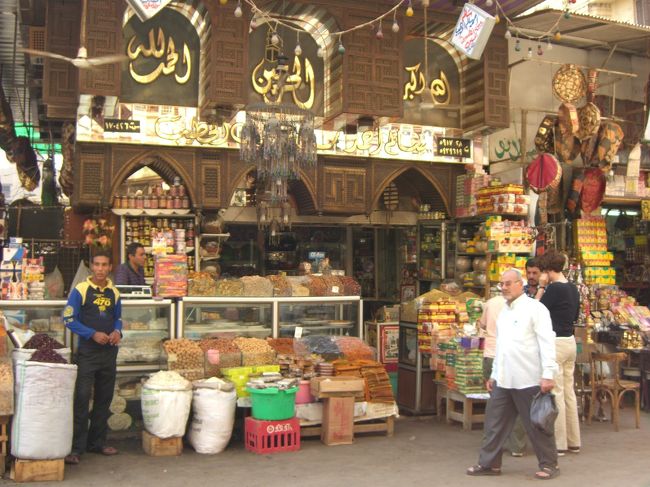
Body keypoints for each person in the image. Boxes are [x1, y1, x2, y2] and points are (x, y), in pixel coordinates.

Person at [467, 269, 559, 480]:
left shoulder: (536, 309)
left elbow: (547, 342)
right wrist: (494, 374)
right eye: (502, 284)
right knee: (494, 423)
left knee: (537, 423)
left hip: (528, 377)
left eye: (508, 283)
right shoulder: (504, 312)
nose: (504, 288)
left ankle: (549, 464)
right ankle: (489, 463)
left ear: (520, 284)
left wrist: (548, 373)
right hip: (504, 378)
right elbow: (501, 346)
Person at [63, 250, 122, 465]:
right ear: (91, 266)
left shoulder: (114, 292)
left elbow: (118, 318)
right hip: (87, 352)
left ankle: (97, 443)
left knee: (104, 399)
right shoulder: (81, 290)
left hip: (109, 352)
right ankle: (76, 448)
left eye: (104, 265)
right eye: (96, 264)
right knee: (81, 398)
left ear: (110, 267)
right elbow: (68, 318)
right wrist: (91, 334)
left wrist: (118, 332)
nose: (100, 269)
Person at [535, 250, 581, 456]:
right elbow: (576, 315)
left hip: (555, 343)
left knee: (557, 393)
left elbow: (535, 311)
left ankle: (560, 443)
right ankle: (574, 441)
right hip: (570, 341)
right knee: (569, 392)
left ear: (547, 270)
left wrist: (541, 287)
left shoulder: (553, 289)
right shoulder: (572, 288)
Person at [478, 294, 527, 458]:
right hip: (513, 357)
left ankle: (495, 444)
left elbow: (482, 325)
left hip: (492, 354)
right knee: (517, 402)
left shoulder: (490, 303)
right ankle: (516, 445)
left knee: (496, 404)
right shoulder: (524, 305)